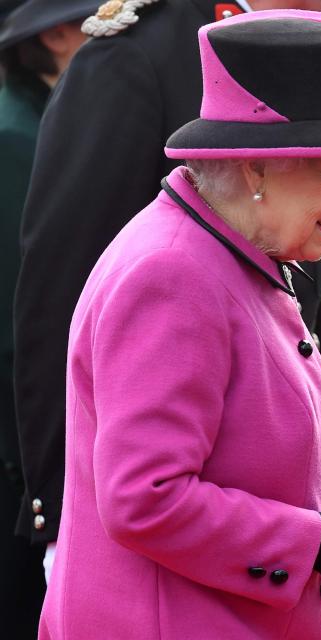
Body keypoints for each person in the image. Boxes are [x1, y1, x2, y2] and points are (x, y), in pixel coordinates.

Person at [38, 11, 321, 639]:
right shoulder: (173, 275)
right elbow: (146, 499)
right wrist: (309, 541)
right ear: (257, 169)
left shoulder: (233, 251)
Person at [12, 0, 321, 582]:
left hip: (270, 533)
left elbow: (308, 308)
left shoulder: (315, 48)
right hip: (154, 534)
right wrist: (60, 515)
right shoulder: (135, 55)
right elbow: (64, 289)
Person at [0, 1, 100, 633]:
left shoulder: (40, 122)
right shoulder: (18, 137)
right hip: (19, 434)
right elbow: (26, 308)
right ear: (59, 34)